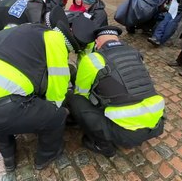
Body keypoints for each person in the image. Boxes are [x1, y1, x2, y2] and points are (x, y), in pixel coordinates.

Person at [0, 7, 96, 171]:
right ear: (70, 43)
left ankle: (8, 157)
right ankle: (47, 155)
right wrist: (51, 110)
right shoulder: (55, 39)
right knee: (56, 116)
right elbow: (57, 91)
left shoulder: (17, 29)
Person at [68, 26, 165, 157]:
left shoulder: (92, 59)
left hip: (125, 133)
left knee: (75, 99)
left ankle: (103, 146)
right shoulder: (135, 53)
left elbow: (82, 93)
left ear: (97, 42)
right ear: (116, 39)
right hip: (156, 125)